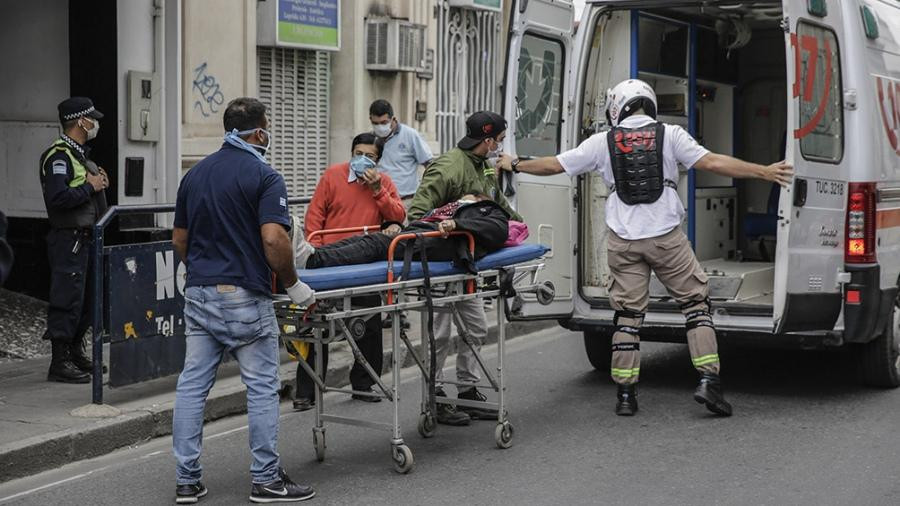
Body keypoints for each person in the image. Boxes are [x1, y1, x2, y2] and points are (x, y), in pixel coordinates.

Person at [497, 79, 794, 417]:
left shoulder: (601, 142)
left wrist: (515, 163)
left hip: (623, 242)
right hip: (667, 238)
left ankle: (625, 394)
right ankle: (709, 382)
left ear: (616, 106)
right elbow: (712, 163)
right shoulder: (671, 135)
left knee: (627, 317)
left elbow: (554, 165)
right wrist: (764, 172)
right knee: (696, 305)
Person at [171, 97, 316, 504]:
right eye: (267, 129)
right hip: (244, 297)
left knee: (191, 387)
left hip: (199, 292)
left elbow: (179, 240)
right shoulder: (264, 176)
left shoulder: (194, 175)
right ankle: (267, 479)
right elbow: (274, 238)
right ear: (258, 132)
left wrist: (205, 270)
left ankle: (187, 481)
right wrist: (294, 286)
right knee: (262, 387)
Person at [407, 111, 522, 426]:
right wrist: (458, 213)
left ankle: (468, 391)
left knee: (476, 328)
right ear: (486, 140)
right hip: (442, 263)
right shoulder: (446, 168)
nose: (499, 147)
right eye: (498, 141)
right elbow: (416, 216)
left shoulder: (483, 166)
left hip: (467, 263)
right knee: (439, 335)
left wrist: (517, 226)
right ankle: (436, 398)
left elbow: (496, 203)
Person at [292, 132, 406, 411]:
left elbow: (398, 217)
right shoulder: (333, 176)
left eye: (370, 156)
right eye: (358, 153)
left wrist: (378, 189)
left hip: (364, 265)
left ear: (378, 160)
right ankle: (307, 391)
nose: (362, 159)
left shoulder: (385, 182)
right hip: (329, 260)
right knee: (315, 327)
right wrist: (315, 256)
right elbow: (315, 216)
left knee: (369, 324)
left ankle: (364, 384)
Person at [39, 97, 109, 384]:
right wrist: (89, 186)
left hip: (88, 238)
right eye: (92, 118)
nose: (95, 123)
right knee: (67, 299)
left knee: (86, 300)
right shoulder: (58, 156)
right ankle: (59, 361)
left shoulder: (81, 156)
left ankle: (75, 351)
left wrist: (99, 183)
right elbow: (57, 198)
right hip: (69, 240)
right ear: (81, 121)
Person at [294, 194, 509, 271]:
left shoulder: (486, 210)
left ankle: (314, 260)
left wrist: (457, 225)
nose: (463, 196)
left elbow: (499, 230)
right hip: (418, 235)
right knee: (369, 239)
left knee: (376, 244)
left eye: (468, 195)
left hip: (437, 242)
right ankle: (312, 253)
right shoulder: (452, 207)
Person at [369, 99, 433, 203]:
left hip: (406, 200)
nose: (380, 127)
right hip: (379, 199)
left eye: (384, 122)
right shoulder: (370, 139)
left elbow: (429, 164)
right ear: (370, 119)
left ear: (393, 119)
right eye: (375, 123)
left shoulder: (410, 135)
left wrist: (426, 191)